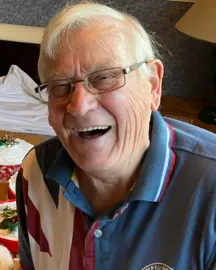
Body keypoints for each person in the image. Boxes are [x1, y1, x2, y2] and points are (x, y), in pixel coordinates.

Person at [16, 2, 216, 270]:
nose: (78, 105)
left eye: (104, 78)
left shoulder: (211, 193)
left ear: (153, 86)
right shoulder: (36, 174)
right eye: (60, 87)